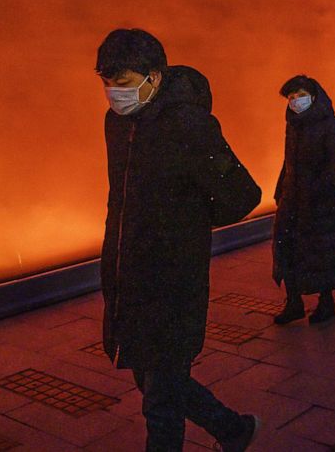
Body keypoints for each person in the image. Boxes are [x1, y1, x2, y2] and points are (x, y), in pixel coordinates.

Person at [96, 28, 259, 452]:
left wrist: (187, 224)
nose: (115, 93)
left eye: (125, 83)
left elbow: (243, 195)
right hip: (128, 277)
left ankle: (230, 429)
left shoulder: (191, 126)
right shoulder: (116, 124)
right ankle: (232, 429)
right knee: (153, 384)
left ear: (155, 77)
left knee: (161, 406)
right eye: (107, 83)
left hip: (173, 285)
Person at [271, 75, 335, 325]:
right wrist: (281, 188)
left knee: (320, 249)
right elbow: (288, 160)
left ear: (314, 96)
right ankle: (294, 302)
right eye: (291, 97)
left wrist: (319, 191)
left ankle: (326, 302)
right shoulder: (293, 124)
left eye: (300, 95)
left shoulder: (329, 124)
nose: (295, 101)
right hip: (292, 198)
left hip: (318, 200)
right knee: (288, 247)